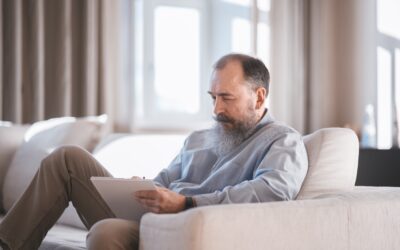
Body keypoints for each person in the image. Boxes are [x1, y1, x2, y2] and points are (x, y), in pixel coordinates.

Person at [0, 53, 308, 250]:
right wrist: (144, 188)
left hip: (185, 227)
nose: (216, 109)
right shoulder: (199, 138)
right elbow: (166, 178)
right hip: (150, 216)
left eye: (226, 98)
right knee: (67, 158)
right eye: (212, 97)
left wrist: (187, 202)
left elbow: (271, 193)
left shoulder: (282, 141)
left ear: (259, 96)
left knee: (106, 233)